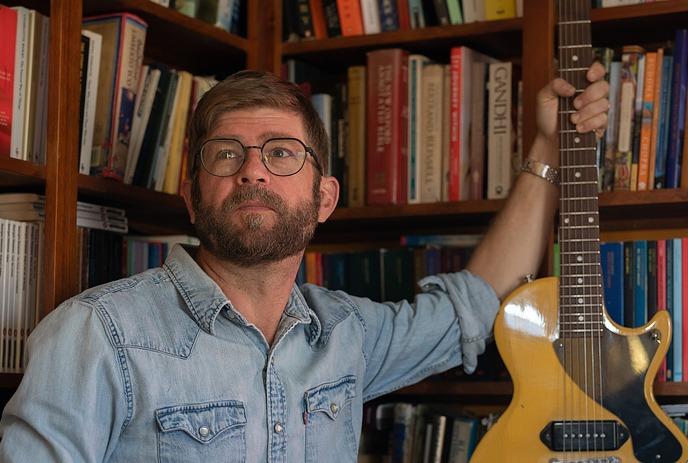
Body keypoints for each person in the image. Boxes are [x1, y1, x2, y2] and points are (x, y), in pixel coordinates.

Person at [0, 65, 608, 462]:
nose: (253, 169)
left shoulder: (348, 335)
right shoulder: (96, 335)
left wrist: (547, 149)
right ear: (191, 195)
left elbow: (477, 302)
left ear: (325, 199)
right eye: (226, 153)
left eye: (283, 153)